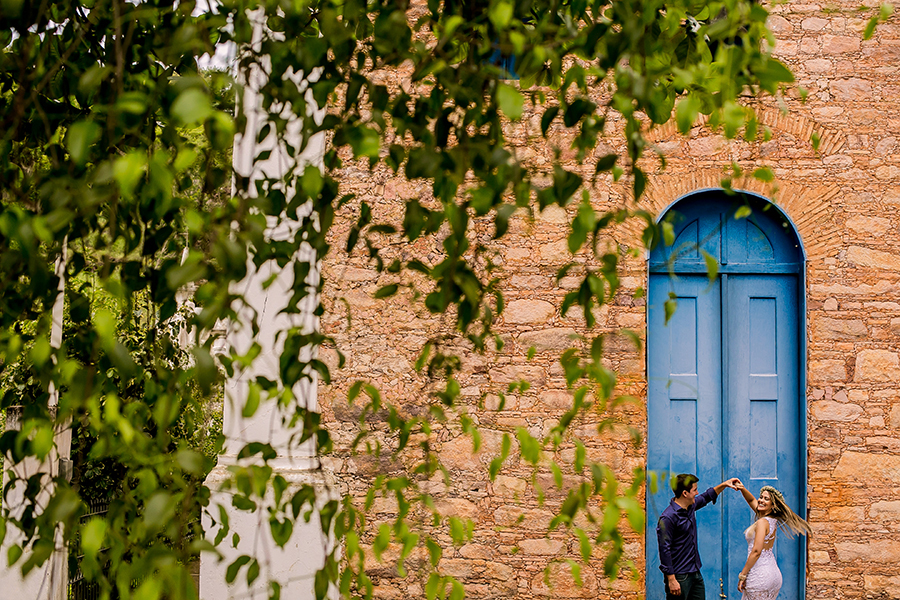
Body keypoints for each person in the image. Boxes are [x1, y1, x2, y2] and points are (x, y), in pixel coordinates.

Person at [657, 474, 740, 599]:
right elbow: (664, 549)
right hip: (679, 576)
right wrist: (671, 579)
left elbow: (707, 496)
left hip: (695, 571)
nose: (697, 492)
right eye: (694, 490)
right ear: (685, 493)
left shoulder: (690, 507)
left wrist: (724, 484)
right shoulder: (668, 517)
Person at [734, 481, 812, 600]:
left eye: (766, 499)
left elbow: (756, 551)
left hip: (760, 576)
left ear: (773, 505)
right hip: (773, 575)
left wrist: (743, 575)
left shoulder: (762, 522)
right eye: (761, 497)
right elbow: (751, 501)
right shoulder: (771, 520)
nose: (761, 500)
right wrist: (742, 489)